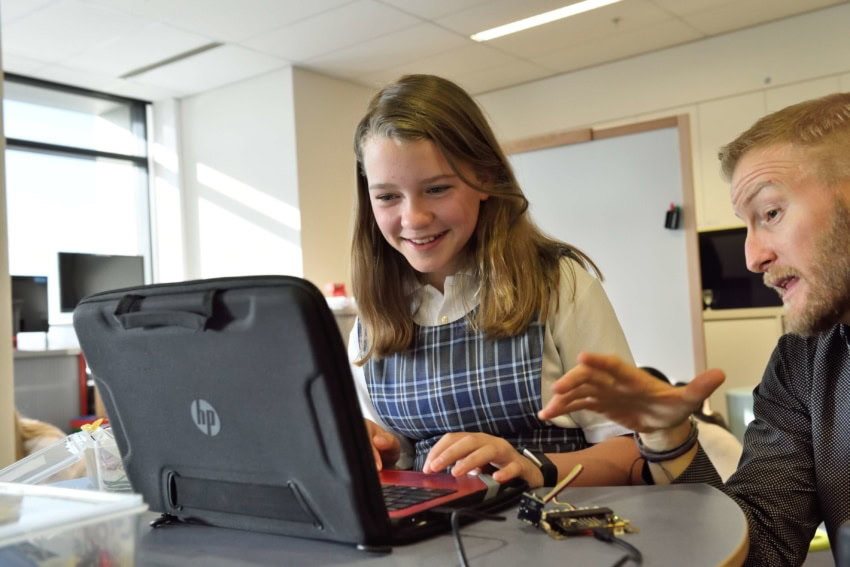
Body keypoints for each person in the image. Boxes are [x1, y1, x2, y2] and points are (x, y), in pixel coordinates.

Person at [539, 92, 850, 566]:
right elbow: (758, 550)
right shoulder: (801, 364)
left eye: (771, 213)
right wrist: (668, 437)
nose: (752, 257)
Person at [348, 74, 641, 489]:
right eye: (388, 197)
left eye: (436, 189)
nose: (413, 218)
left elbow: (635, 454)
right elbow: (402, 462)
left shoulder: (557, 284)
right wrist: (385, 451)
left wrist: (533, 467)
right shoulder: (372, 320)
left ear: (485, 177)